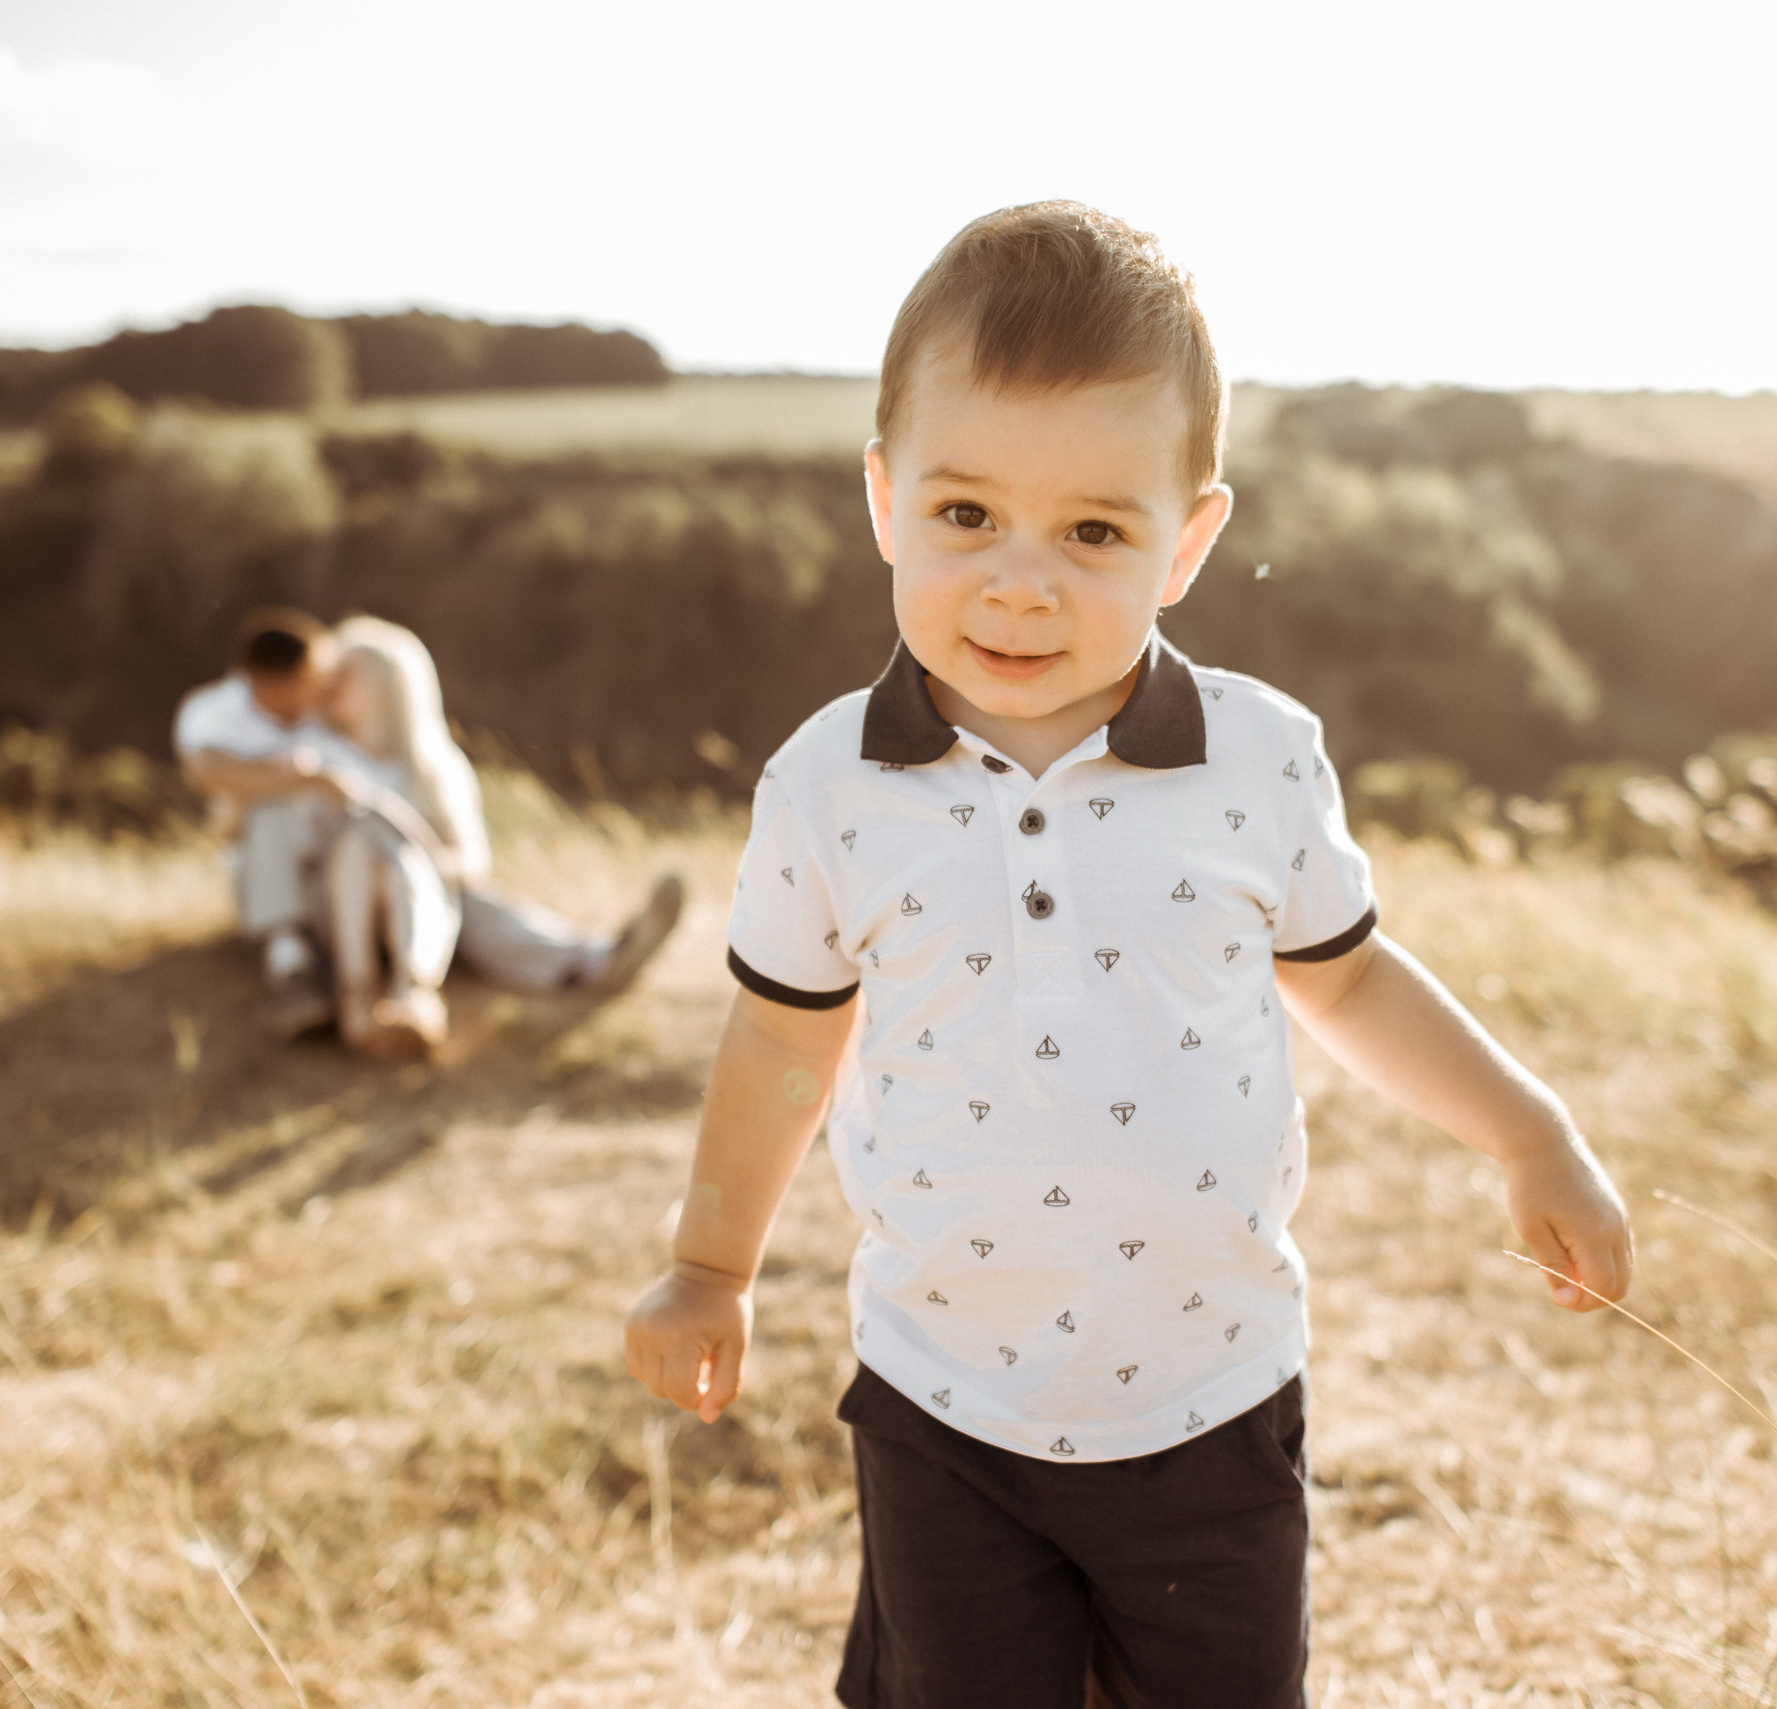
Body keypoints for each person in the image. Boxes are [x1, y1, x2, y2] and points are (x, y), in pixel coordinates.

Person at [623, 203, 1634, 1708]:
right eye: (967, 517)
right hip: (942, 1392)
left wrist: (1529, 1133)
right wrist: (712, 1265)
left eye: (1094, 531)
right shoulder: (827, 786)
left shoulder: (1259, 760)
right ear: (888, 501)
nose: (1021, 583)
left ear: (1190, 542)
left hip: (1212, 1388)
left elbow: (1349, 979)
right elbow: (782, 1043)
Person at [315, 614, 684, 1058]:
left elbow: (472, 862)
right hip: (340, 913)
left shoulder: (434, 769)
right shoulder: (315, 761)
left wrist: (416, 869)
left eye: (344, 674)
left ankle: (596, 963)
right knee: (363, 846)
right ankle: (371, 994)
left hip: (425, 909)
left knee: (448, 890)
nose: (327, 685)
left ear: (384, 683)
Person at [173, 607, 361, 1039]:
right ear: (272, 682)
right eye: (314, 674)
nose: (325, 682)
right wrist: (300, 782)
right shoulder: (212, 712)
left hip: (339, 858)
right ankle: (291, 965)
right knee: (270, 813)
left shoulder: (328, 713)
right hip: (261, 877)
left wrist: (253, 784)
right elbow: (205, 770)